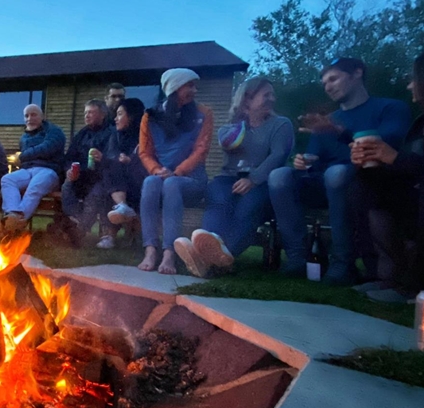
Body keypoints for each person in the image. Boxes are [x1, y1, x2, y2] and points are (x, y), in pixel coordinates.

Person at [268, 58, 411, 285]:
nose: (328, 86)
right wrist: (303, 161)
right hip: (324, 184)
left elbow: (383, 143)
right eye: (324, 83)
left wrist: (337, 131)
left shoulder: (389, 108)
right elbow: (314, 161)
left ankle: (343, 263)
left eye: (333, 79)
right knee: (279, 176)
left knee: (336, 174)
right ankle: (297, 257)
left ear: (357, 73)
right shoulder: (328, 120)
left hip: (364, 182)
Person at [349, 46, 424, 303]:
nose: (410, 85)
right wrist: (369, 164)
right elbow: (408, 172)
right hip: (422, 204)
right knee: (365, 183)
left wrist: (396, 158)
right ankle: (388, 276)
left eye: (414, 78)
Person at [175, 76, 294, 277]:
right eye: (266, 95)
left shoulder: (281, 125)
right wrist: (242, 124)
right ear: (247, 99)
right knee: (219, 199)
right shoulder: (232, 129)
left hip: (262, 181)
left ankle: (219, 259)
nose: (272, 99)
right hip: (228, 178)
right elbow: (228, 144)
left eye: (273, 94)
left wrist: (253, 179)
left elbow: (279, 155)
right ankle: (207, 248)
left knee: (248, 207)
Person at [136, 69, 212, 274]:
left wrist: (177, 172)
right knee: (149, 182)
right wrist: (156, 169)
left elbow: (201, 150)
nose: (194, 90)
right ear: (174, 88)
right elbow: (144, 152)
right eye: (189, 86)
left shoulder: (204, 114)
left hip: (192, 180)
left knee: (171, 184)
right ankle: (150, 249)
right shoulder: (150, 117)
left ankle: (170, 252)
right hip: (161, 176)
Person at [0, 104, 65, 237]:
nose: (30, 118)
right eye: (26, 115)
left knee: (35, 185)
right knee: (7, 179)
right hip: (28, 170)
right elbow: (23, 159)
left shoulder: (54, 131)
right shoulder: (24, 137)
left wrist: (23, 156)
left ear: (42, 116)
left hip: (49, 171)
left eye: (33, 114)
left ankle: (18, 220)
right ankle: (11, 215)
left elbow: (47, 148)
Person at [60, 99, 113, 245]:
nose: (87, 115)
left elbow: (116, 160)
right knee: (66, 187)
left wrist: (103, 158)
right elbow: (69, 157)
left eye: (91, 112)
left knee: (95, 195)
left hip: (101, 177)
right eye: (85, 112)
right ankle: (77, 222)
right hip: (80, 177)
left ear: (102, 114)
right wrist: (69, 171)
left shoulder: (111, 133)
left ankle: (80, 230)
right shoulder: (81, 134)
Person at [96, 97, 147, 249]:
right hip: (119, 183)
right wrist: (115, 158)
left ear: (131, 116)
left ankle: (110, 234)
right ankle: (122, 207)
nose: (116, 119)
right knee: (108, 172)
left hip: (139, 182)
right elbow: (111, 154)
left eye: (119, 114)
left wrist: (131, 159)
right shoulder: (116, 135)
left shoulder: (144, 135)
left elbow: (148, 158)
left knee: (108, 180)